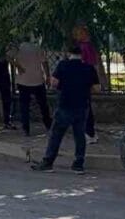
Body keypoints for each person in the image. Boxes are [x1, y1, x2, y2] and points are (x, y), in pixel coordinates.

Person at [32, 44, 101, 174]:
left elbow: (54, 82)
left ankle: (48, 162)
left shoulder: (63, 65)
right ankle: (78, 164)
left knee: (56, 134)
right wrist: (85, 88)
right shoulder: (88, 67)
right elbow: (97, 88)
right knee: (80, 135)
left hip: (65, 104)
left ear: (69, 53)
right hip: (82, 105)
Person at [10, 38, 51, 136]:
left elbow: (8, 57)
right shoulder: (37, 47)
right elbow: (44, 62)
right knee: (43, 105)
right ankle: (48, 125)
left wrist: (18, 66)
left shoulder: (18, 48)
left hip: (23, 81)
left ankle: (26, 129)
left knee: (24, 106)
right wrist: (47, 76)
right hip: (37, 80)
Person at [74, 24, 103, 143]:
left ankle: (88, 133)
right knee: (86, 105)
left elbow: (81, 63)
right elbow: (94, 63)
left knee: (84, 107)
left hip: (83, 77)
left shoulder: (83, 47)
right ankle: (90, 132)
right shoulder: (89, 47)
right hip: (89, 76)